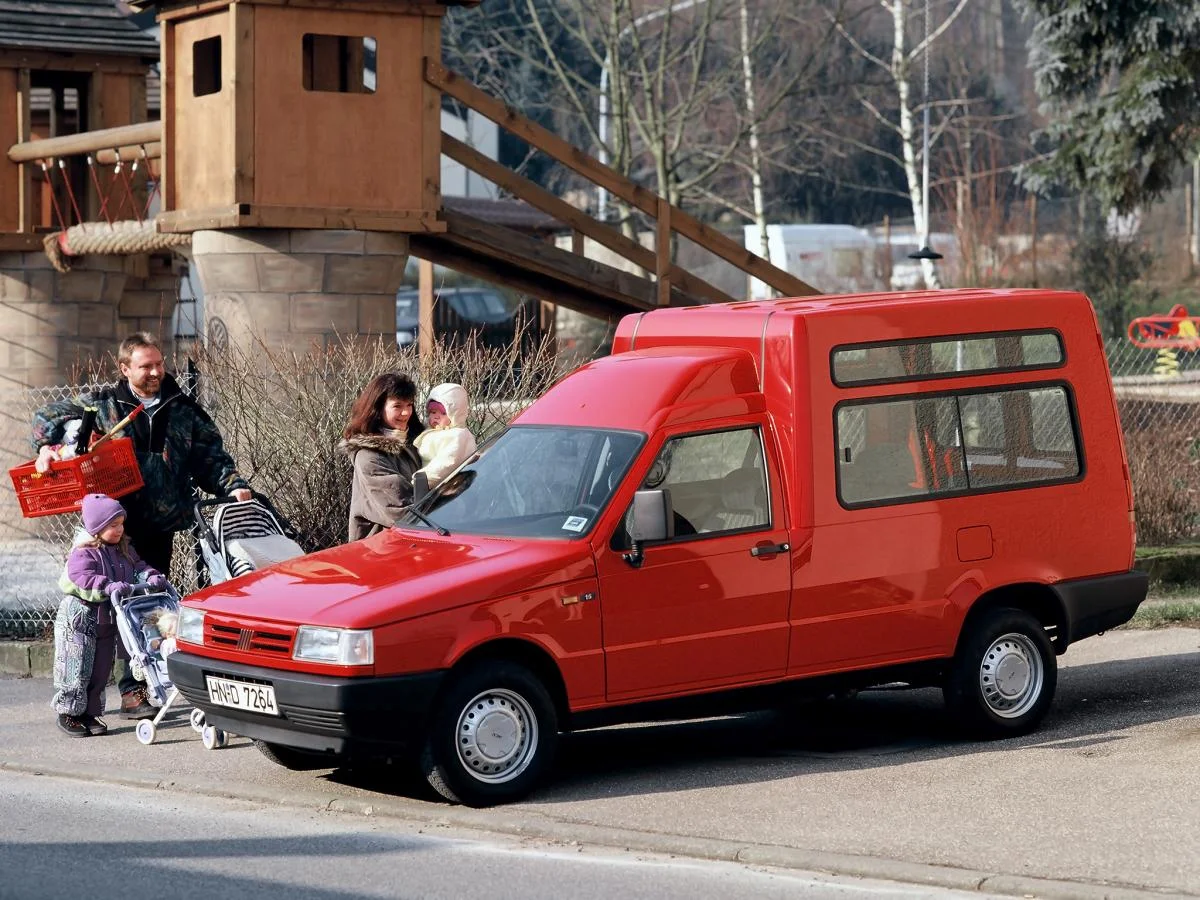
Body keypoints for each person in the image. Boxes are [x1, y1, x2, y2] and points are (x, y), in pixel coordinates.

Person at [31, 332, 251, 719]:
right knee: (102, 612)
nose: (155, 372)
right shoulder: (102, 404)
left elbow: (212, 458)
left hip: (158, 524)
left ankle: (138, 688)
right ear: (125, 368)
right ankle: (83, 699)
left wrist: (233, 487)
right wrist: (47, 451)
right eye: (145, 366)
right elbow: (45, 418)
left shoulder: (183, 409)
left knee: (145, 608)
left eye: (159, 364)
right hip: (107, 528)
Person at [52, 493, 167, 737]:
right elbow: (81, 577)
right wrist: (107, 584)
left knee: (100, 668)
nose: (119, 529)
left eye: (121, 524)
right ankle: (68, 713)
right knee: (76, 665)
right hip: (80, 618)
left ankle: (89, 713)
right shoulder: (84, 552)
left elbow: (139, 567)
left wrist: (150, 576)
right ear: (96, 527)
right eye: (112, 525)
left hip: (106, 618)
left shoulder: (124, 549)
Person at [340, 373, 424, 541]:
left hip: (411, 542)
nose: (406, 412)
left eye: (410, 405)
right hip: (378, 551)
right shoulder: (369, 456)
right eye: (397, 406)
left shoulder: (416, 443)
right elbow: (402, 510)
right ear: (378, 409)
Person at [413, 383, 477, 490]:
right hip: (431, 485)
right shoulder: (432, 432)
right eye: (433, 412)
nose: (436, 417)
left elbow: (446, 462)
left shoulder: (457, 436)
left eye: (443, 413)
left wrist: (421, 480)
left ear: (456, 414)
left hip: (444, 486)